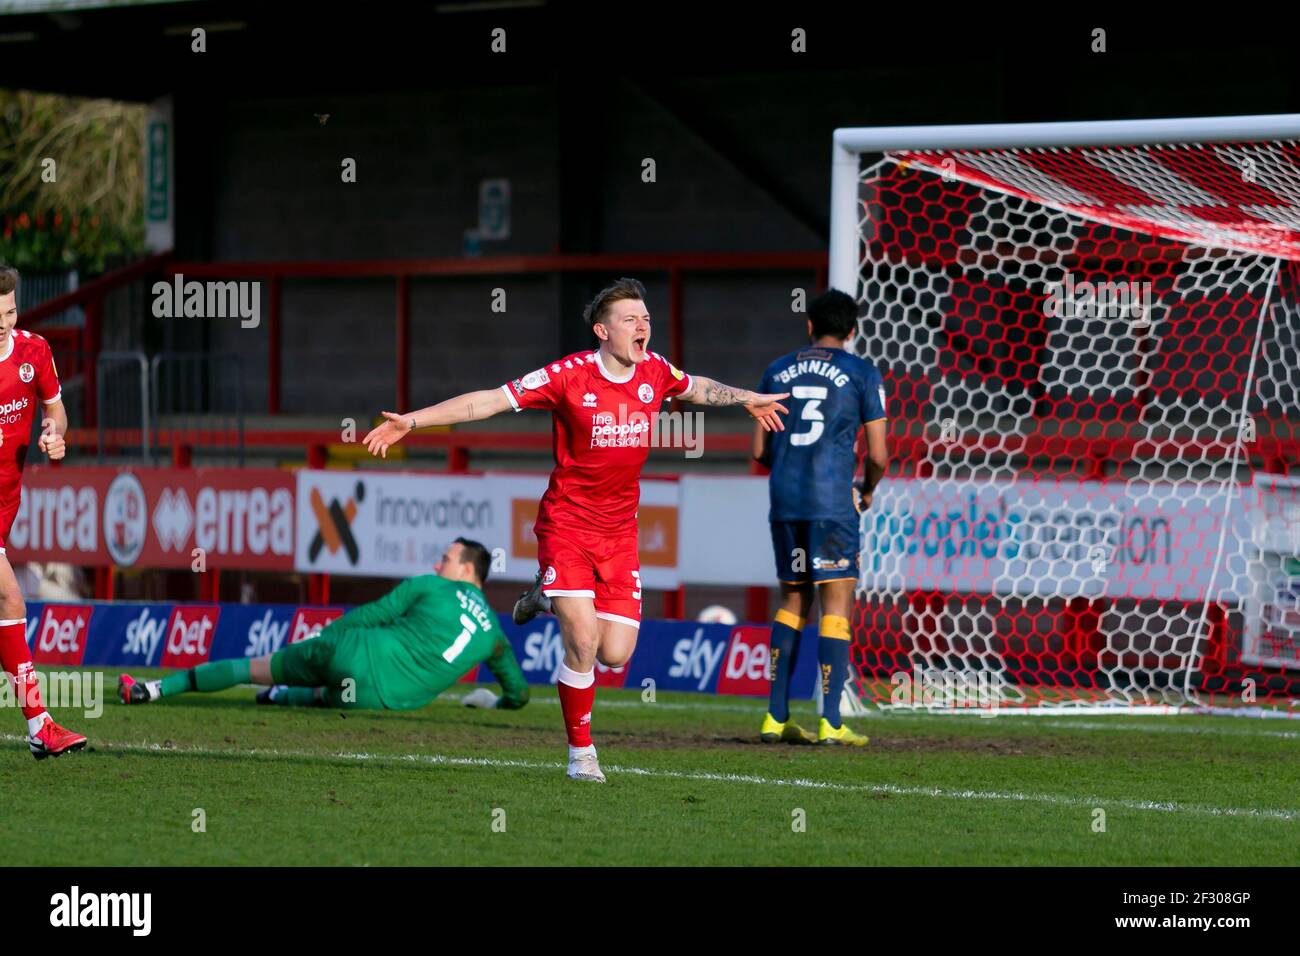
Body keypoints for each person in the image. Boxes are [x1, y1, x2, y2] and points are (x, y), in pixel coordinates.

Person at [363, 277, 789, 782]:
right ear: (602, 330)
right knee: (583, 642)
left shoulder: (654, 370)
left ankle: (546, 598)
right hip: (565, 525)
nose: (643, 326)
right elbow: (488, 402)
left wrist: (746, 399)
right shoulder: (568, 376)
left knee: (615, 653)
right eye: (630, 319)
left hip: (620, 534)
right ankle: (581, 752)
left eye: (646, 318)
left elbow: (696, 386)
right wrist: (413, 421)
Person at [118, 538, 528, 712]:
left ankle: (151, 689)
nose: (439, 565)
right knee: (321, 696)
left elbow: (374, 613)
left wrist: (327, 634)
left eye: (447, 559)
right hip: (382, 701)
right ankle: (280, 697)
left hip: (354, 651)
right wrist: (495, 702)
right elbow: (520, 694)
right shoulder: (494, 635)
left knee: (253, 667)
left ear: (469, 569)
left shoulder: (431, 585)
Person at [754, 288, 888, 746]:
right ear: (852, 331)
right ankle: (831, 721)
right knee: (835, 605)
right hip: (833, 505)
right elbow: (879, 454)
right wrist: (866, 490)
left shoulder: (775, 370)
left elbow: (759, 450)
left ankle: (775, 717)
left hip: (786, 503)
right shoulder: (862, 372)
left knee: (793, 602)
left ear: (809, 325)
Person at [0, 265, 87, 759]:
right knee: (11, 600)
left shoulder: (35, 351)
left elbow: (55, 409)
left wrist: (56, 435)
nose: (4, 322)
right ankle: (40, 724)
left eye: (10, 311)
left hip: (6, 502)